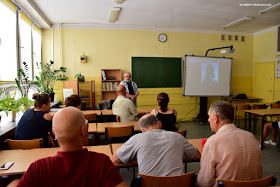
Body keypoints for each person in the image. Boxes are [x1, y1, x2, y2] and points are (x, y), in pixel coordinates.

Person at [10, 107, 127, 187]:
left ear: (54, 133)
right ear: (83, 131)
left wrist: (15, 182)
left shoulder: (37, 168)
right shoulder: (102, 163)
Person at [197, 101, 263, 187]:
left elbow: (205, 182)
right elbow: (260, 173)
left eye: (209, 116)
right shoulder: (251, 137)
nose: (208, 119)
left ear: (215, 118)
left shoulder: (213, 141)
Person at [111, 113, 200, 176]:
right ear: (160, 124)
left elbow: (114, 160)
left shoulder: (137, 139)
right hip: (178, 183)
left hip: (149, 184)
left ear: (142, 130)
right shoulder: (177, 137)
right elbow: (197, 155)